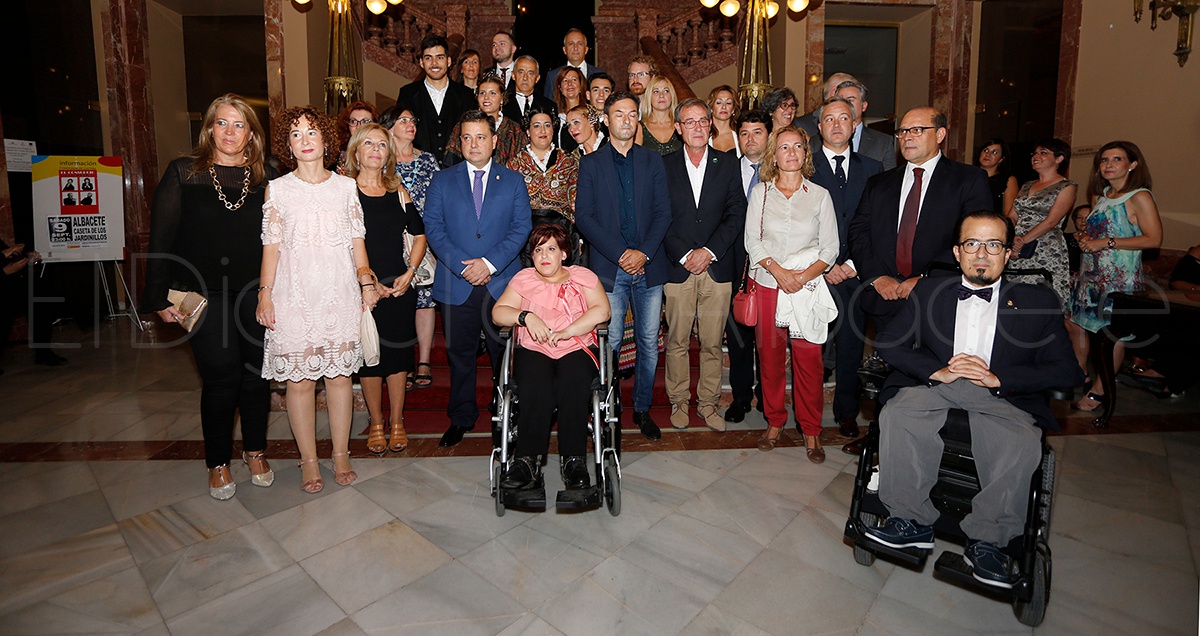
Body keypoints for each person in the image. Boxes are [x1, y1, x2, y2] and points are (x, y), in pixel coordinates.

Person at [864, 211, 1083, 589]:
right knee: (899, 413)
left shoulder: (1038, 302)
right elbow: (889, 342)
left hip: (1001, 394)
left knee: (1019, 438)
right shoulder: (929, 292)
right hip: (938, 384)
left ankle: (988, 541)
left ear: (1008, 253)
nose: (981, 254)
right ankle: (909, 521)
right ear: (957, 252)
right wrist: (937, 371)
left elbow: (1068, 371)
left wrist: (1000, 378)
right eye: (972, 244)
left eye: (993, 244)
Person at [142, 93, 275, 501]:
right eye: (222, 123)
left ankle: (255, 451)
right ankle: (218, 462)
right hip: (202, 293)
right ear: (209, 129)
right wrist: (158, 297)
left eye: (239, 124)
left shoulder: (267, 177)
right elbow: (161, 237)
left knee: (256, 377)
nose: (230, 132)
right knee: (221, 378)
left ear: (251, 133)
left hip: (256, 292)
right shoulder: (184, 172)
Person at [845, 106, 992, 455]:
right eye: (903, 132)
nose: (907, 137)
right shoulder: (880, 182)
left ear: (940, 134)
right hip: (885, 296)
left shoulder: (968, 179)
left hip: (939, 296)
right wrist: (877, 277)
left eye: (917, 130)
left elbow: (974, 240)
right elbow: (859, 233)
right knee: (890, 369)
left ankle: (929, 445)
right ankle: (883, 439)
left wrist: (924, 278)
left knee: (933, 372)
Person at [256, 105, 380, 493]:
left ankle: (340, 454)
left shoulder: (345, 187)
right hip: (293, 295)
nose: (305, 140)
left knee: (340, 378)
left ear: (326, 140)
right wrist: (265, 294)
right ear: (288, 145)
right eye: (296, 134)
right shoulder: (278, 189)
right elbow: (271, 247)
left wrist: (366, 283)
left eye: (312, 132)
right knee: (300, 382)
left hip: (338, 293)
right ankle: (309, 460)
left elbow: (357, 243)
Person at [423, 110, 533, 448]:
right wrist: (463, 267)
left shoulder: (513, 181)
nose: (474, 144)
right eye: (467, 137)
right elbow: (434, 229)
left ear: (494, 141)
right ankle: (461, 417)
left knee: (505, 356)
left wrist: (489, 264)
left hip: (501, 285)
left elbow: (521, 228)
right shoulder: (442, 180)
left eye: (481, 137)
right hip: (456, 283)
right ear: (460, 142)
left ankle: (505, 414)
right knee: (459, 354)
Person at [574, 90, 673, 441]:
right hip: (610, 267)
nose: (626, 120)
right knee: (611, 341)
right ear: (606, 120)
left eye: (632, 114)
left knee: (648, 341)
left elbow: (664, 212)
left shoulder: (652, 161)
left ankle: (642, 409)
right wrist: (621, 254)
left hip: (649, 265)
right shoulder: (591, 163)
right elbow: (584, 217)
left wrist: (643, 252)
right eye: (619, 114)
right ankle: (608, 410)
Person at [491, 224, 611, 491]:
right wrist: (525, 316)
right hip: (534, 347)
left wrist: (569, 330)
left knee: (573, 384)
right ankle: (527, 460)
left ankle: (573, 460)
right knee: (537, 387)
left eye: (551, 249)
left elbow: (602, 311)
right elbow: (498, 313)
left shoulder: (583, 277)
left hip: (575, 345)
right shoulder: (524, 279)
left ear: (564, 253)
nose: (544, 255)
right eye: (538, 250)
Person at [745, 126, 839, 462]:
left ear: (805, 153)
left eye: (797, 146)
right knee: (770, 359)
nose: (791, 153)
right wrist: (780, 273)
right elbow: (752, 241)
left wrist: (801, 277)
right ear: (774, 155)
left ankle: (811, 429)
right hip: (768, 284)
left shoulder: (820, 195)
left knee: (809, 361)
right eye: (784, 147)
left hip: (806, 289)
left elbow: (830, 248)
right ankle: (774, 422)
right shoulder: (761, 193)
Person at [661, 98, 746, 432]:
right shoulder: (663, 165)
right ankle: (679, 402)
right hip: (677, 268)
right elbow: (659, 216)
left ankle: (708, 404)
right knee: (677, 341)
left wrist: (709, 251)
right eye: (689, 122)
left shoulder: (728, 164)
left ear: (710, 125)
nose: (697, 127)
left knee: (712, 343)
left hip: (716, 267)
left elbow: (736, 213)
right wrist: (685, 254)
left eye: (702, 121)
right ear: (678, 128)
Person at [345, 123, 427, 454]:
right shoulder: (345, 192)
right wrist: (368, 281)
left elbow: (419, 235)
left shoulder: (398, 191)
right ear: (356, 152)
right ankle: (376, 423)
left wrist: (410, 272)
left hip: (397, 287)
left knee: (398, 357)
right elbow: (341, 244)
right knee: (369, 357)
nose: (376, 150)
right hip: (360, 287)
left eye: (382, 144)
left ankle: (397, 422)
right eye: (369, 143)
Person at [808, 96, 884, 440]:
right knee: (811, 346)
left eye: (843, 118)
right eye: (829, 119)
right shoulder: (804, 164)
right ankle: (808, 414)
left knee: (852, 346)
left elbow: (877, 222)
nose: (837, 125)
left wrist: (852, 263)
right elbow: (800, 222)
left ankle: (846, 412)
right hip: (814, 271)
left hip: (855, 271)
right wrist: (825, 264)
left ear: (854, 125)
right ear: (819, 127)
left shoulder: (873, 168)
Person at [1068, 141, 1162, 412]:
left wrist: (1106, 242)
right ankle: (1088, 379)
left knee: (1114, 336)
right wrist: (1085, 238)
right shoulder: (1102, 195)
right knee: (1088, 330)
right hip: (1092, 276)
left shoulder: (1139, 197)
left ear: (1133, 164)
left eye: (1117, 159)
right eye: (1104, 160)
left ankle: (1100, 392)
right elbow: (1095, 232)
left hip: (1118, 279)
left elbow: (1154, 239)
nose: (1108, 165)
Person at [381, 104, 441, 391]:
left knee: (425, 301)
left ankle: (424, 361)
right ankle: (402, 363)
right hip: (391, 239)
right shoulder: (381, 159)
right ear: (389, 127)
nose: (410, 124)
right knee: (400, 300)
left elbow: (440, 197)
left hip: (424, 238)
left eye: (412, 119)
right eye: (403, 120)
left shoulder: (427, 159)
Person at [723, 110, 772, 424]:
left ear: (769, 135)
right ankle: (741, 398)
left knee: (769, 337)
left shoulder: (782, 167)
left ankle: (768, 397)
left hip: (772, 265)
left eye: (757, 132)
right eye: (744, 133)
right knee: (738, 334)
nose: (750, 139)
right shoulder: (725, 165)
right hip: (734, 264)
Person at [1007, 138, 1077, 310]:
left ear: (1059, 158)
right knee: (1015, 295)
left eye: (1043, 153)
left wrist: (1022, 241)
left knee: (1041, 296)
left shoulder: (1066, 186)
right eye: (1035, 153)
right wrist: (1012, 238)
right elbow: (1012, 216)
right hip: (1017, 245)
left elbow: (1052, 221)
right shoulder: (1027, 185)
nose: (1036, 156)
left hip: (1044, 246)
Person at [396, 35, 477, 165]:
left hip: (458, 169)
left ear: (448, 61)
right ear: (421, 62)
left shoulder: (466, 95)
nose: (434, 63)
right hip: (418, 168)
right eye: (428, 58)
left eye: (439, 57)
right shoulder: (408, 94)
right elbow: (400, 133)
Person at [508, 103, 579, 221]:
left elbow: (577, 200)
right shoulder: (514, 164)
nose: (543, 131)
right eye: (536, 126)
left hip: (560, 228)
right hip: (526, 227)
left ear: (553, 129)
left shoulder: (568, 161)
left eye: (547, 125)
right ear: (528, 131)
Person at [444, 72, 527, 167]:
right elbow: (451, 162)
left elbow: (523, 165)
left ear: (502, 98)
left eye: (492, 93)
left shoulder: (515, 131)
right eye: (482, 93)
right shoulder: (464, 126)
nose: (486, 97)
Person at [833, 79, 898, 171]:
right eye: (841, 100)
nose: (845, 105)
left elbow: (889, 176)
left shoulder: (883, 142)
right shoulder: (817, 142)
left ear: (864, 106)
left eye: (850, 100)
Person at [543, 28, 607, 100]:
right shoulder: (553, 76)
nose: (575, 48)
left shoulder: (599, 74)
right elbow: (547, 104)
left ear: (586, 49)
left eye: (579, 44)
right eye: (571, 44)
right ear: (564, 50)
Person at [635, 75, 682, 155]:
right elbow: (635, 158)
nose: (661, 95)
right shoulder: (639, 127)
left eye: (666, 91)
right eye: (656, 91)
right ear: (649, 97)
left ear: (672, 96)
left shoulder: (681, 125)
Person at [502, 55, 556, 123]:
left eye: (530, 73)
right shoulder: (502, 104)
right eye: (521, 72)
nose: (525, 78)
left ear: (537, 78)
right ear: (513, 75)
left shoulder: (549, 106)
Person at [977, 138, 1018, 218]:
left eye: (994, 152)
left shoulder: (1008, 180)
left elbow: (1009, 215)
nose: (987, 154)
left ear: (1001, 159)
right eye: (986, 150)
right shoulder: (968, 175)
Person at [334, 101, 378, 173]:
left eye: (365, 122)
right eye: (353, 121)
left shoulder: (380, 151)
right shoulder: (337, 155)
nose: (358, 126)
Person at [553, 66, 587, 154]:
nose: (570, 84)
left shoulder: (589, 113)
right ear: (560, 88)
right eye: (565, 80)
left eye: (574, 80)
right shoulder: (555, 118)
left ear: (580, 85)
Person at [707, 85, 739, 154]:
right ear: (711, 107)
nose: (724, 107)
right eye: (719, 102)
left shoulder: (740, 135)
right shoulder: (704, 135)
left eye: (728, 103)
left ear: (733, 109)